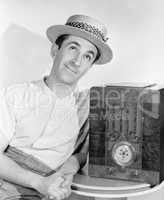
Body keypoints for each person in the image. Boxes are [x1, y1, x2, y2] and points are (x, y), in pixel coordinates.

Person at [0, 14, 113, 200]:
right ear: (55, 50)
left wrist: (67, 172)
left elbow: (81, 154)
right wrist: (39, 183)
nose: (77, 61)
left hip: (58, 190)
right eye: (72, 48)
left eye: (87, 56)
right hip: (9, 189)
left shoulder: (88, 104)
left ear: (90, 66)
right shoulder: (14, 95)